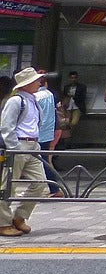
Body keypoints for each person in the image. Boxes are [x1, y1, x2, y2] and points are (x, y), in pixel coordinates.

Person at [0, 68, 48, 237]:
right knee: (8, 186)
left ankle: (19, 216)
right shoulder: (15, 101)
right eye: (36, 80)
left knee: (41, 183)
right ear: (26, 84)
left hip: (33, 146)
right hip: (19, 145)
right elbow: (6, 127)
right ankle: (3, 223)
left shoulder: (33, 100)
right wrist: (15, 148)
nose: (39, 82)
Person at [33, 74, 62, 196]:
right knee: (44, 161)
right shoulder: (50, 95)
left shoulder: (35, 97)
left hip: (36, 133)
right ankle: (54, 188)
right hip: (48, 132)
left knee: (31, 161)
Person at [60, 70, 87, 145]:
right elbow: (64, 96)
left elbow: (83, 97)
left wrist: (73, 96)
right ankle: (68, 139)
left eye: (75, 78)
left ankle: (69, 138)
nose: (73, 79)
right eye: (72, 78)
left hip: (77, 106)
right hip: (68, 106)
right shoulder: (66, 87)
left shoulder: (82, 87)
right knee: (67, 123)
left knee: (74, 123)